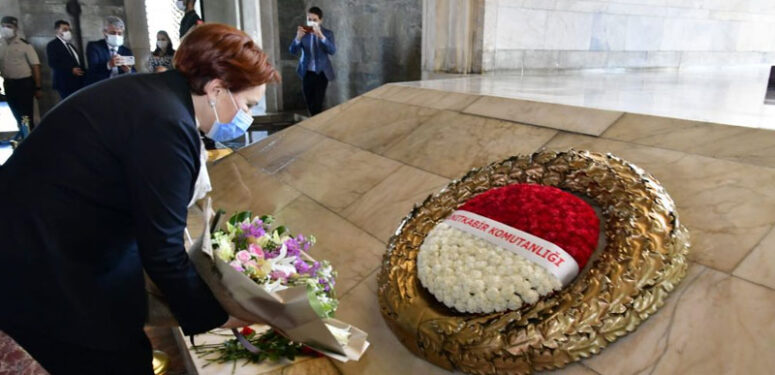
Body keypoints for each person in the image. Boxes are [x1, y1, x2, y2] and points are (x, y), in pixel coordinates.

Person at [0, 23, 278, 374]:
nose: (247, 119)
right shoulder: (166, 124)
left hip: (44, 245)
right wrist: (219, 316)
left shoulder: (153, 95)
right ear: (217, 89)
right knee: (116, 359)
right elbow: (162, 251)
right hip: (45, 268)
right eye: (248, 104)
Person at [289, 6, 336, 116]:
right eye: (309, 20)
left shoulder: (328, 33)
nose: (311, 22)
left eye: (314, 20)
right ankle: (315, 121)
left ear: (320, 20)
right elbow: (292, 51)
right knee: (310, 102)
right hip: (307, 72)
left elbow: (332, 51)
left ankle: (316, 124)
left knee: (318, 103)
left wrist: (321, 37)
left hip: (322, 73)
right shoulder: (303, 33)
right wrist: (298, 38)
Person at [0, 16, 42, 131]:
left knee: (26, 116)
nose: (5, 29)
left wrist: (38, 87)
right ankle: (23, 133)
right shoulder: (1, 44)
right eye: (3, 26)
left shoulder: (24, 45)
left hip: (23, 84)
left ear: (15, 28)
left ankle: (28, 137)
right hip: (8, 84)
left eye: (9, 26)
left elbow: (35, 66)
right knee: (16, 113)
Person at [85, 16, 135, 86]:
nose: (116, 36)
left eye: (119, 33)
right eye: (113, 33)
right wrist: (108, 65)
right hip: (101, 87)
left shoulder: (126, 51)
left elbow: (134, 73)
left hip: (122, 87)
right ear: (105, 32)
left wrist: (128, 71)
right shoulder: (94, 47)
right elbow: (92, 71)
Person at [46, 19, 85, 99]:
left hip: (76, 82)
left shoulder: (70, 46)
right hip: (64, 82)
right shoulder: (52, 45)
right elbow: (52, 63)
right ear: (57, 30)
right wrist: (71, 70)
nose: (68, 32)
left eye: (69, 30)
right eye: (65, 29)